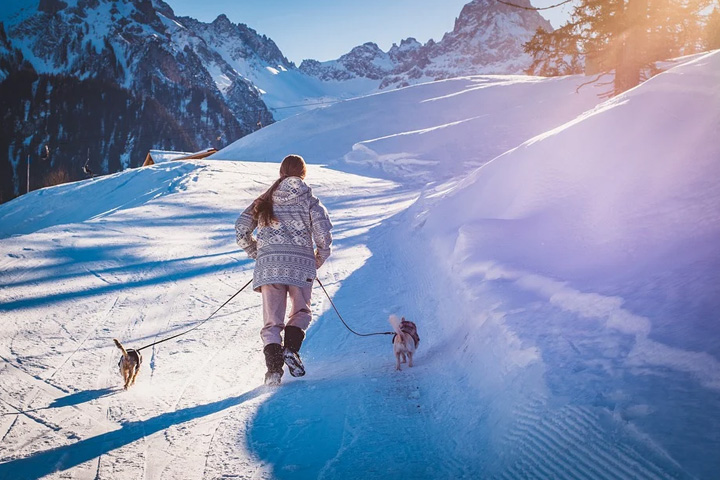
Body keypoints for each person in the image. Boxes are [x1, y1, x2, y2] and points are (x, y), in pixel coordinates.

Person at [235, 155, 333, 386]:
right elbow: (323, 235)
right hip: (301, 267)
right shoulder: (310, 200)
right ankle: (290, 349)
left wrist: (258, 253)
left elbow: (241, 228)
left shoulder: (265, 199)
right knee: (301, 312)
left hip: (270, 268)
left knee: (272, 322)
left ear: (281, 173)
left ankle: (273, 372)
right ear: (303, 173)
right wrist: (317, 259)